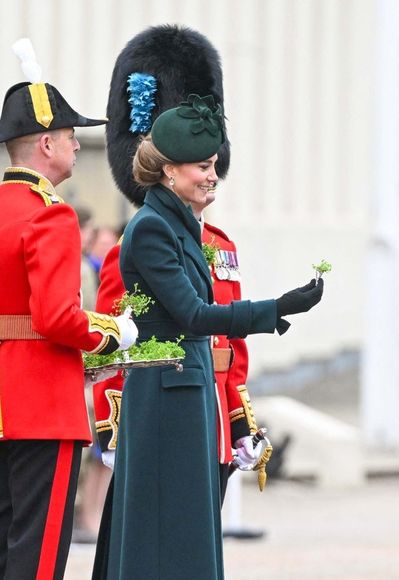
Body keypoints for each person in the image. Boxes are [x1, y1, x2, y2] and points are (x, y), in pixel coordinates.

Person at [106, 94, 323, 579]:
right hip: (166, 396)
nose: (212, 176)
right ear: (169, 171)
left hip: (187, 391)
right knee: (168, 531)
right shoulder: (152, 228)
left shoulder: (177, 225)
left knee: (189, 529)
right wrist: (276, 309)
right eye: (202, 166)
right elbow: (193, 314)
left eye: (213, 165)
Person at [0, 45, 138, 579]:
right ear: (46, 142)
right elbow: (57, 318)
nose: (78, 144)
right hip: (41, 406)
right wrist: (115, 333)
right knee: (36, 554)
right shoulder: (50, 217)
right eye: (71, 135)